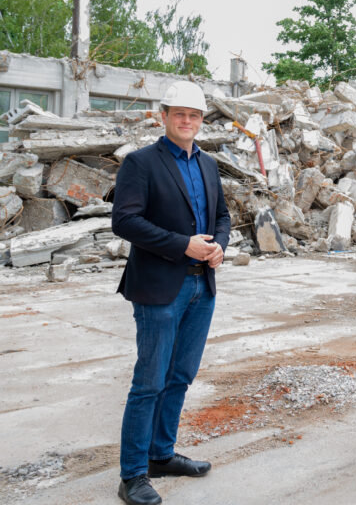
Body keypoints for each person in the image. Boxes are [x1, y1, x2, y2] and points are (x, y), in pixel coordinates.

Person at [112, 80, 231, 505]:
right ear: (163, 116)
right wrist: (183, 245)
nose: (187, 121)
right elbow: (124, 221)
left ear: (202, 120)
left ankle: (161, 454)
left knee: (180, 377)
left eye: (194, 115)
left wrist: (219, 245)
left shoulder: (209, 165)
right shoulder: (140, 163)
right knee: (149, 382)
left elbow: (223, 216)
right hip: (161, 289)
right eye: (179, 113)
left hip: (203, 285)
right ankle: (132, 475)